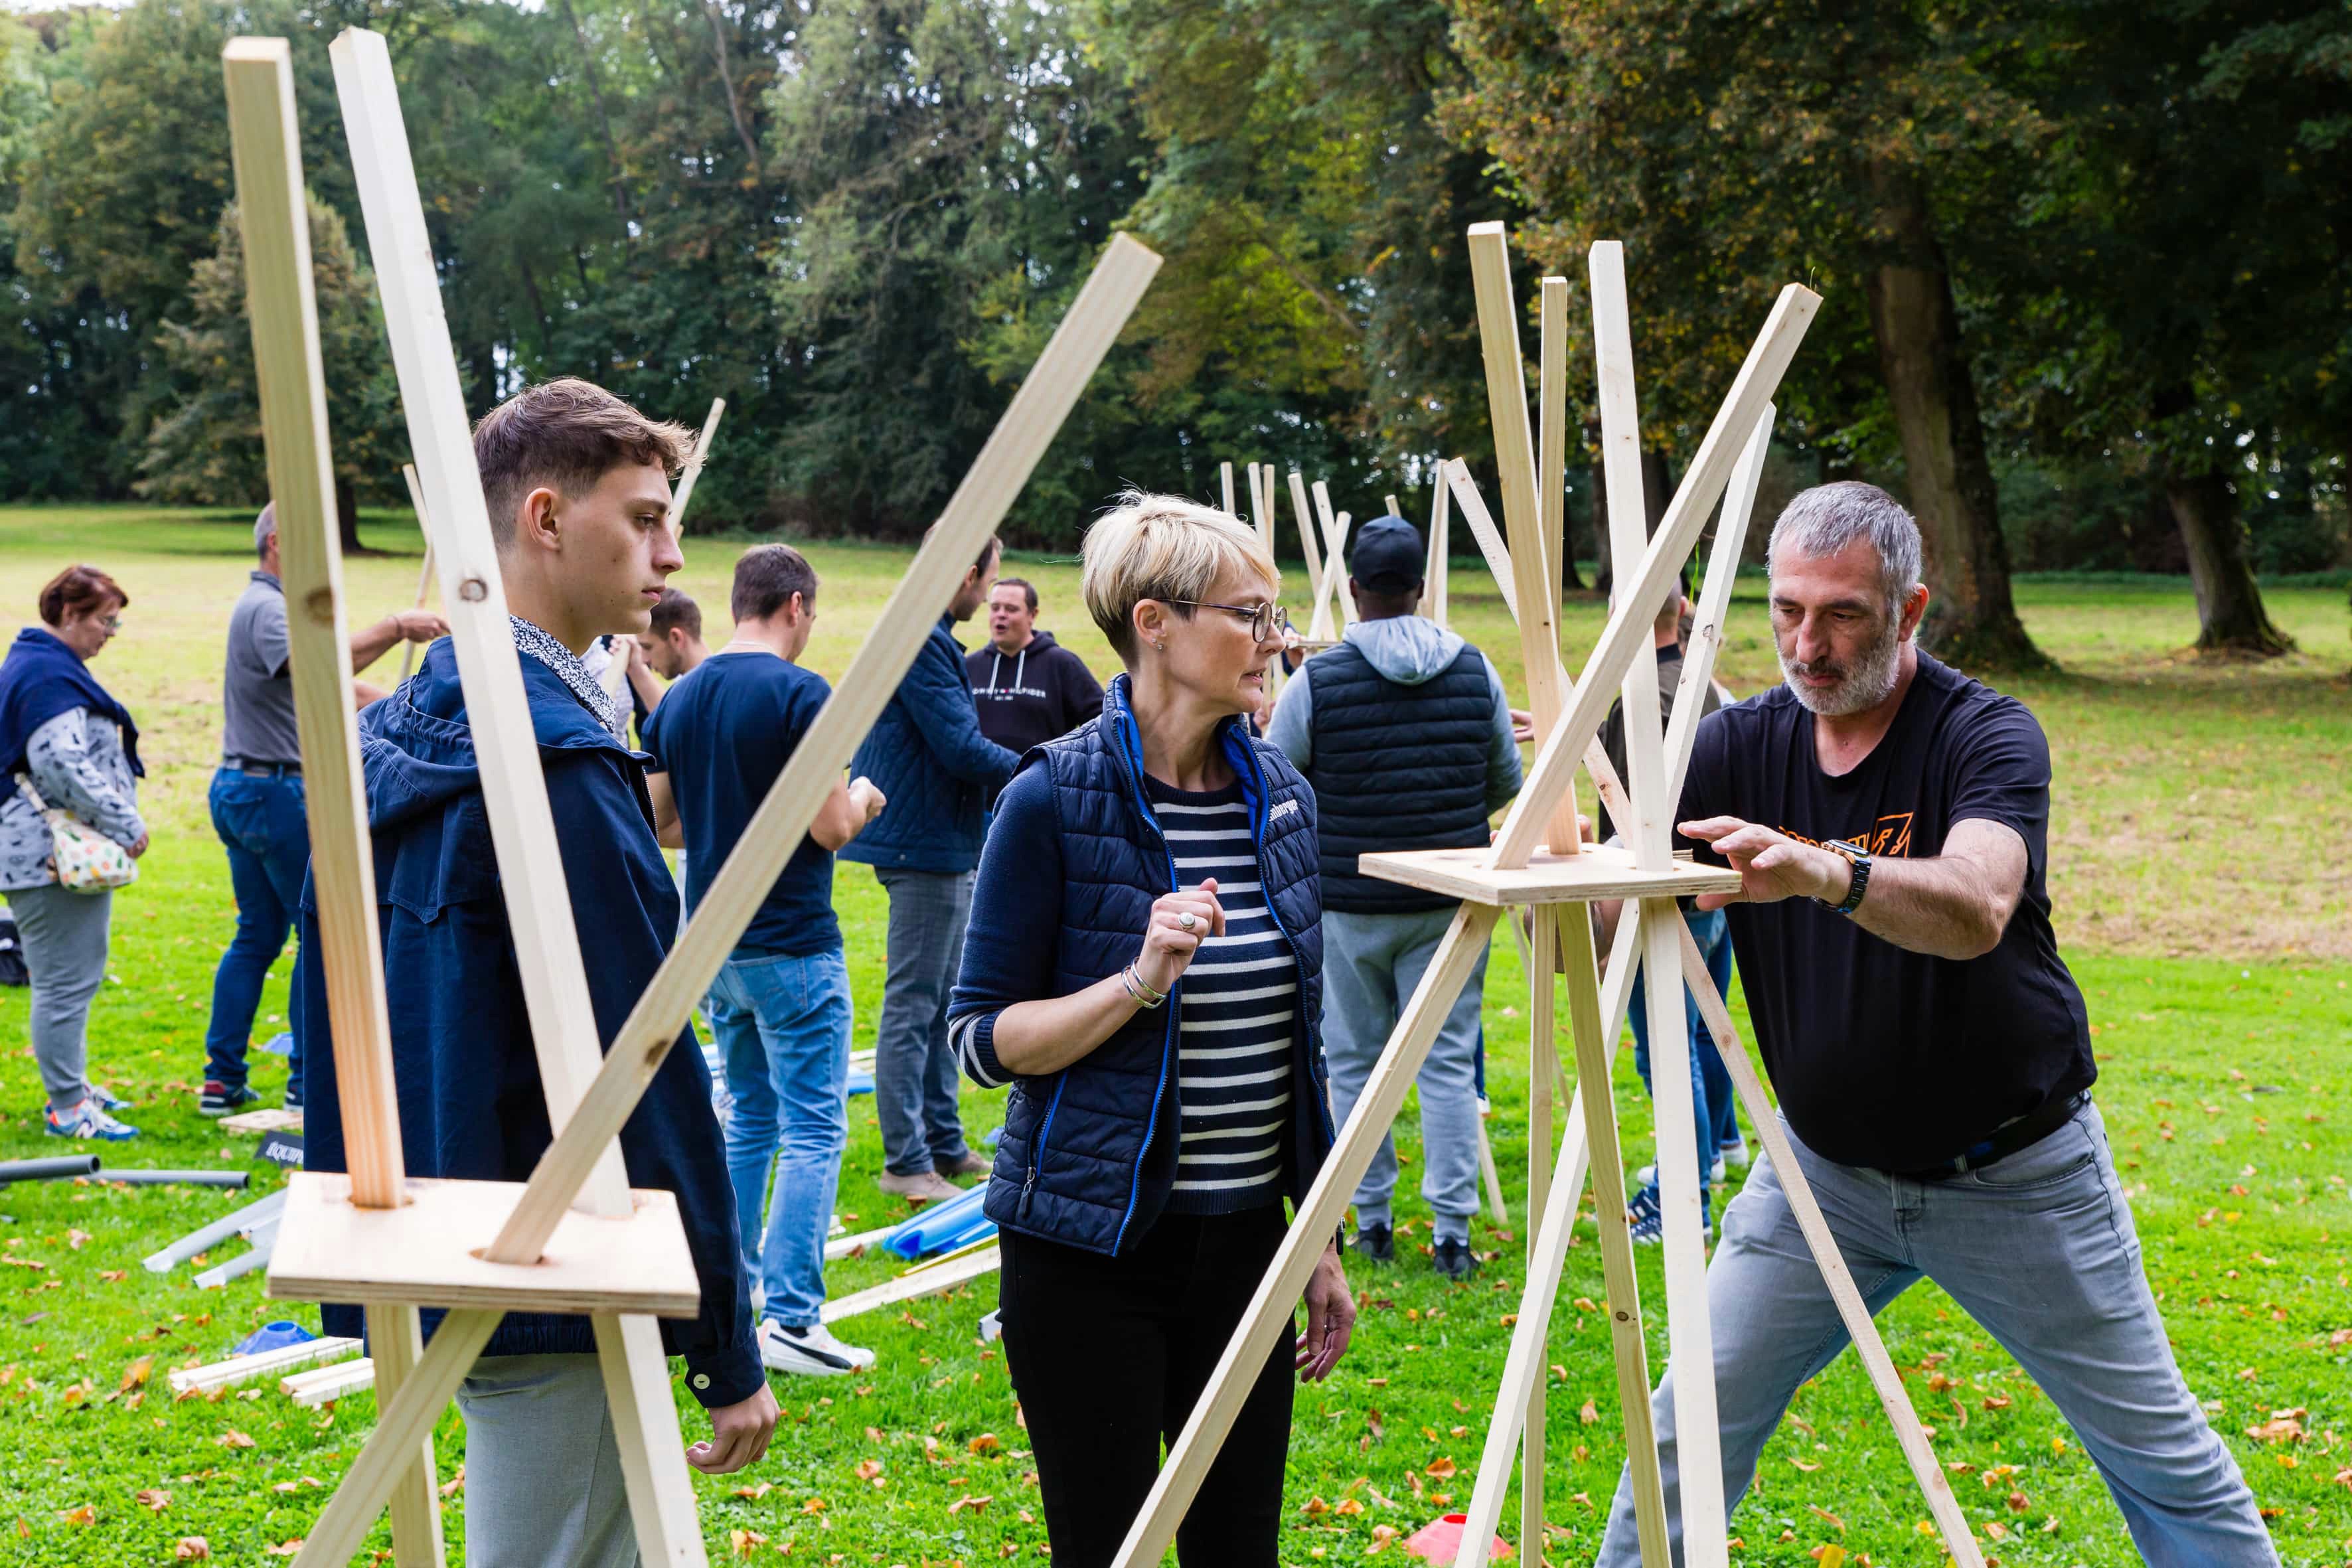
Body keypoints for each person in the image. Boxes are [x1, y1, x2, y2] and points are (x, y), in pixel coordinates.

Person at [1593, 482, 2274, 1565]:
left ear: (1910, 611)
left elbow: (1974, 907)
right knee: (1681, 1430)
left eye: (1841, 614)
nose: (1805, 646)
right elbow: (1610, 907)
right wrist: (1561, 866)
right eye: (1785, 611)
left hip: (2014, 1176)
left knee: (2160, 1465)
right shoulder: (1730, 744)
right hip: (1820, 1174)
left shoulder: (1983, 733)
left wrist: (1822, 870)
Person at [293, 378, 777, 1566]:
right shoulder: (550, 771)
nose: (672, 551)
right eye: (647, 517)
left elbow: (326, 1015)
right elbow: (644, 1063)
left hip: (447, 1238)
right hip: (563, 1265)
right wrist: (725, 1333)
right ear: (548, 518)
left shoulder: (394, 735)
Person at [949, 491, 1354, 1567]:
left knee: (1237, 1553)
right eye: (1250, 614)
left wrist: (1311, 1239)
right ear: (1153, 622)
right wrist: (1135, 979)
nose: (1275, 640)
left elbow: (1296, 1051)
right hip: (1087, 1254)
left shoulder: (1282, 798)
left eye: (1275, 617)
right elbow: (980, 1040)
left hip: (1245, 1256)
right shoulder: (1046, 800)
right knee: (1107, 1550)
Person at [643, 545, 886, 1377]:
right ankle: (795, 1317)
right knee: (815, 1126)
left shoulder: (683, 695)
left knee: (748, 1119)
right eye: (810, 615)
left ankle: (737, 1294)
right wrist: (863, 797)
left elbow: (663, 822)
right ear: (794, 605)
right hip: (792, 940)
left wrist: (728, 812)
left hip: (716, 942)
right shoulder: (800, 693)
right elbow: (830, 828)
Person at [1264, 512, 1522, 1279]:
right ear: (1419, 589)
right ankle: (1451, 1233)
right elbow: (1505, 777)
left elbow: (1279, 773)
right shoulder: (1474, 668)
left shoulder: (1319, 678)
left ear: (1353, 589)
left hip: (1347, 897)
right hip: (1449, 896)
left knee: (1352, 1064)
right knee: (1446, 1065)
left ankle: (1369, 1219)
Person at [197, 505, 449, 1117]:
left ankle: (221, 1081)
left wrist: (402, 707)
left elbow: (331, 685)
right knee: (324, 932)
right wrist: (395, 627)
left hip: (244, 788)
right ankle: (306, 1084)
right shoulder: (267, 609)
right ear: (279, 543)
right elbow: (320, 667)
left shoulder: (265, 610)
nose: (328, 561)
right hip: (275, 794)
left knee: (257, 935)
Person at [840, 536, 1020, 1202]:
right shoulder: (923, 639)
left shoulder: (930, 636)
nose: (989, 592)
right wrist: (1043, 770)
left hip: (939, 841)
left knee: (944, 1001)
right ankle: (906, 1162)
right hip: (921, 845)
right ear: (969, 575)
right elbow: (961, 748)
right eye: (991, 578)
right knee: (914, 1006)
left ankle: (943, 1142)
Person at [1593, 564, 1743, 1242]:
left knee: (1666, 1049)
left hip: (1663, 894)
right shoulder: (1702, 678)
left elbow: (1633, 812)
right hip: (1710, 885)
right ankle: (1724, 1149)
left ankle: (1687, 1199)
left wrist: (1620, 906)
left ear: (1621, 607)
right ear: (1683, 604)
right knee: (1705, 1027)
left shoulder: (1639, 695)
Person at [0, 566, 147, 1141]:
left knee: (74, 975)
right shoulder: (46, 676)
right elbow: (59, 763)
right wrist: (124, 819)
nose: (110, 632)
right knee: (64, 981)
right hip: (45, 854)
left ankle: (74, 1085)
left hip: (43, 852)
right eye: (105, 621)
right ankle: (66, 1108)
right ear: (69, 615)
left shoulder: (42, 665)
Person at [966, 574, 1105, 758]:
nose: (1001, 615)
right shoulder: (969, 666)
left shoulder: (1062, 664)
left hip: (1043, 784)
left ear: (1033, 615)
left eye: (1011, 609)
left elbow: (1104, 723)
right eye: (995, 608)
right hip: (979, 785)